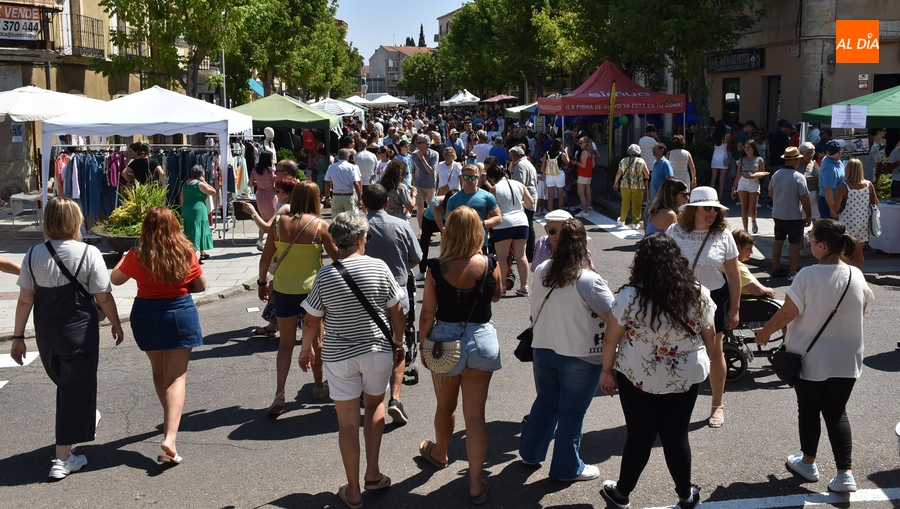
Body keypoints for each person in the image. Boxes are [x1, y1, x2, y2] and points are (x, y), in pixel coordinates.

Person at [753, 218, 874, 493]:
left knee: (808, 410)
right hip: (847, 358)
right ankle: (845, 474)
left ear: (821, 245)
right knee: (836, 412)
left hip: (811, 358)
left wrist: (765, 333)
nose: (809, 242)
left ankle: (808, 463)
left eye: (811, 239)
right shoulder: (857, 274)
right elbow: (861, 310)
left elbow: (787, 313)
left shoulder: (808, 275)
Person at [298, 212, 406, 509]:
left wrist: (306, 349)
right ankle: (373, 472)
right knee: (374, 406)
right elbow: (397, 312)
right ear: (360, 238)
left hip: (338, 355)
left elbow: (311, 320)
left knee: (346, 423)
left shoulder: (326, 275)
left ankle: (354, 490)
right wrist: (399, 342)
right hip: (377, 352)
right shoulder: (379, 268)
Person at [599, 233, 715, 509]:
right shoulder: (697, 292)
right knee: (676, 436)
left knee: (640, 435)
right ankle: (686, 494)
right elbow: (710, 337)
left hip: (638, 374)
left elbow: (611, 339)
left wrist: (607, 370)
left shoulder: (630, 296)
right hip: (684, 375)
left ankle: (622, 493)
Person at [11, 197, 123, 479]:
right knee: (73, 389)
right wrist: (116, 322)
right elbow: (103, 296)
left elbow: (25, 300)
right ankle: (62, 458)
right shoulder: (88, 253)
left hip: (47, 334)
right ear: (76, 221)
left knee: (68, 385)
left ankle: (84, 417)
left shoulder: (33, 254)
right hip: (79, 332)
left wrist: (18, 336)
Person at [418, 206, 502, 505]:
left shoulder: (436, 268)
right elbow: (497, 293)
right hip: (482, 338)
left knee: (445, 405)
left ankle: (439, 452)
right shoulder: (490, 262)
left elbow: (428, 312)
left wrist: (421, 343)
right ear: (478, 231)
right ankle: (476, 484)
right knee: (476, 415)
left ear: (449, 231)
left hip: (445, 340)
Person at [519, 219, 614, 481]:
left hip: (543, 349)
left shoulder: (541, 269)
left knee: (546, 402)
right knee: (572, 412)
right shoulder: (589, 280)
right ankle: (567, 467)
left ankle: (530, 452)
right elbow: (614, 316)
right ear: (584, 245)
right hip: (579, 355)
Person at [110, 207, 205, 465]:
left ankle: (169, 420)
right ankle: (170, 436)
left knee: (158, 371)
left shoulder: (138, 254)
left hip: (146, 314)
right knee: (177, 377)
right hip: (179, 311)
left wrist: (125, 256)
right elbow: (201, 286)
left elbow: (115, 279)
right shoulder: (185, 251)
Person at [258, 182, 338, 413]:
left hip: (284, 289)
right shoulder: (321, 226)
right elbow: (336, 260)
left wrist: (263, 283)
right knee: (316, 341)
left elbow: (265, 259)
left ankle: (280, 392)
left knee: (285, 343)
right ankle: (317, 386)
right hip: (312, 291)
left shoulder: (278, 223)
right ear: (315, 199)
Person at [667, 187, 740, 428]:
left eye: (716, 209)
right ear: (693, 209)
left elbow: (733, 273)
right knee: (676, 350)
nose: (712, 212)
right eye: (707, 207)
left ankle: (717, 405)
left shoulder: (723, 234)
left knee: (714, 352)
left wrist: (735, 308)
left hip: (714, 299)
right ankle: (674, 403)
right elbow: (663, 266)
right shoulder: (674, 231)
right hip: (680, 298)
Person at [363, 184, 423, 425]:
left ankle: (367, 391)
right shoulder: (401, 225)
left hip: (364, 295)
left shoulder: (358, 226)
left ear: (363, 203)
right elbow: (416, 258)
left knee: (367, 343)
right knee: (399, 344)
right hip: (396, 294)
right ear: (387, 203)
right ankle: (395, 398)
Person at [245, 177, 298, 337]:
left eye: (278, 191)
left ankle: (275, 326)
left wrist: (253, 212)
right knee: (277, 287)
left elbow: (267, 228)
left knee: (278, 287)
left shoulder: (285, 208)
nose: (276, 194)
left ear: (287, 194)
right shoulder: (293, 207)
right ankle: (272, 326)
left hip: (282, 253)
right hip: (291, 255)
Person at [483, 161, 533, 295]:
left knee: (502, 257)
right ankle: (524, 286)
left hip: (503, 222)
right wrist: (519, 204)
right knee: (521, 255)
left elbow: (491, 209)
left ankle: (503, 286)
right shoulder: (519, 184)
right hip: (521, 221)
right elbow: (530, 203)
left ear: (492, 179)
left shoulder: (494, 189)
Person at [769, 147, 812, 279]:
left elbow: (770, 193)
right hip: (793, 215)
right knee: (794, 243)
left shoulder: (776, 174)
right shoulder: (799, 177)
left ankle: (776, 268)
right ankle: (792, 272)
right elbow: (804, 198)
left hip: (778, 213)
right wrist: (808, 214)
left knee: (778, 241)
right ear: (794, 160)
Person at [834, 158, 878, 270]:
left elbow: (836, 207)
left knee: (844, 251)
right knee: (858, 250)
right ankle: (858, 273)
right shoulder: (868, 185)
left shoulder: (844, 186)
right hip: (863, 221)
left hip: (847, 222)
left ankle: (848, 274)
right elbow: (875, 202)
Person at [446, 164, 502, 253]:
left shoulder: (487, 196)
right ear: (461, 178)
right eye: (466, 177)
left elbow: (498, 219)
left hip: (480, 243)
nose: (470, 180)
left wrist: (480, 223)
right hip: (459, 244)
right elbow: (449, 222)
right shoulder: (453, 199)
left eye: (473, 177)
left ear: (478, 177)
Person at [415, 189, 457, 281]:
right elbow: (441, 227)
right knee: (424, 245)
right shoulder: (436, 203)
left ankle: (446, 269)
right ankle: (422, 271)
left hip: (444, 220)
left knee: (447, 244)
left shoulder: (457, 202)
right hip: (429, 221)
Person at [731, 139, 768, 234]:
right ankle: (745, 229)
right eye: (745, 148)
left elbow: (762, 173)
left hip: (754, 183)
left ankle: (753, 220)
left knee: (752, 208)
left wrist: (756, 175)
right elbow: (738, 174)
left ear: (753, 149)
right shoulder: (742, 160)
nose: (746, 150)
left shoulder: (759, 160)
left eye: (748, 148)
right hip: (743, 182)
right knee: (744, 208)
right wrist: (734, 188)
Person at [180, 165, 217, 262]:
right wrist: (204, 181)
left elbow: (181, 198)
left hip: (187, 209)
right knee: (198, 231)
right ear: (201, 174)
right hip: (198, 210)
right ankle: (194, 257)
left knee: (190, 230)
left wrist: (183, 209)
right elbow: (213, 192)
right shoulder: (200, 184)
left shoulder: (186, 183)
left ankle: (202, 253)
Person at [732, 229, 777, 298]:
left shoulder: (725, 263)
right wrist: (769, 290)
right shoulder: (736, 266)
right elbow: (759, 291)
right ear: (738, 248)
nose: (751, 252)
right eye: (748, 248)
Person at [613, 144, 650, 228]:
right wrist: (643, 177)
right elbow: (647, 174)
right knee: (637, 204)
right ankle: (635, 222)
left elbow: (619, 172)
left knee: (625, 202)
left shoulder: (624, 160)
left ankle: (622, 219)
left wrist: (616, 182)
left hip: (625, 184)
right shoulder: (642, 161)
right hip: (638, 185)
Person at [249, 151, 278, 249]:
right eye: (272, 157)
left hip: (260, 196)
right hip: (271, 196)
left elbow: (250, 184)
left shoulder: (255, 170)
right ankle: (273, 240)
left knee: (264, 219)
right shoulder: (271, 171)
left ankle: (260, 240)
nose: (273, 159)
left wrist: (258, 183)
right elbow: (275, 184)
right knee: (273, 219)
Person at [412, 134, 440, 230]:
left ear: (427, 144)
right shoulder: (414, 154)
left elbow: (431, 171)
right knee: (420, 208)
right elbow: (413, 170)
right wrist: (413, 183)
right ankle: (421, 230)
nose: (417, 144)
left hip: (430, 184)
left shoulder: (434, 154)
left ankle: (431, 227)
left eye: (420, 142)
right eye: (417, 142)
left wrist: (422, 159)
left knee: (431, 208)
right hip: (418, 184)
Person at [325, 149, 363, 216]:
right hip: (348, 196)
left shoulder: (331, 167)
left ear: (338, 156)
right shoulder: (352, 167)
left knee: (336, 220)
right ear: (348, 156)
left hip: (336, 196)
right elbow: (356, 183)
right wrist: (359, 198)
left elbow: (327, 182)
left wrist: (327, 196)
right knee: (351, 220)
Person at [541, 138, 570, 213]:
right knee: (560, 194)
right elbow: (567, 162)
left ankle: (550, 210)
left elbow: (542, 167)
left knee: (550, 195)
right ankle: (561, 210)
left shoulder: (547, 153)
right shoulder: (562, 154)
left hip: (549, 175)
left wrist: (544, 173)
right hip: (559, 174)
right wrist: (566, 152)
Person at [819, 140, 846, 219]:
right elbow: (828, 189)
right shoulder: (830, 169)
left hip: (836, 200)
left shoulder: (832, 159)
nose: (843, 150)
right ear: (838, 153)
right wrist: (833, 208)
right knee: (831, 230)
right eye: (841, 149)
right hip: (830, 202)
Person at [710, 120, 730, 200]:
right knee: (722, 179)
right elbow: (730, 144)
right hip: (723, 157)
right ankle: (720, 198)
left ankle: (711, 197)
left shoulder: (712, 135)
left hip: (715, 156)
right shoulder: (727, 136)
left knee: (713, 178)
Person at [574, 137, 594, 218]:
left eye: (581, 143)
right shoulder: (590, 153)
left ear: (585, 143)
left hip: (582, 174)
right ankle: (587, 210)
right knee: (588, 193)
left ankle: (585, 211)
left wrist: (576, 163)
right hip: (589, 175)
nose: (579, 145)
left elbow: (583, 165)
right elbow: (593, 165)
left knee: (581, 193)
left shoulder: (584, 153)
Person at [799, 142, 820, 219]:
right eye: (808, 153)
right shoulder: (797, 164)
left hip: (814, 194)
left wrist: (817, 180)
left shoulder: (815, 163)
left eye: (812, 153)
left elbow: (820, 177)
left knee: (817, 218)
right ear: (801, 153)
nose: (810, 155)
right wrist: (805, 180)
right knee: (802, 219)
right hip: (801, 196)